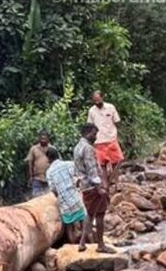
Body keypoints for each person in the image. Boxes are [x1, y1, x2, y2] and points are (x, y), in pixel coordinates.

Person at [74, 123, 116, 253]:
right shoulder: (88, 148)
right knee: (100, 214)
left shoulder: (77, 147)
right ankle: (101, 245)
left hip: (85, 186)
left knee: (90, 213)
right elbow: (91, 169)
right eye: (94, 134)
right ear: (88, 133)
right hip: (92, 186)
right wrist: (100, 187)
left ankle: (82, 243)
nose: (96, 137)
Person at [45, 148, 87, 243]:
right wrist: (76, 184)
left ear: (49, 159)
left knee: (69, 226)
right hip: (75, 198)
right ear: (58, 155)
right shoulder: (69, 164)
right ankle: (84, 241)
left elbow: (53, 190)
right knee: (83, 219)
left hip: (64, 203)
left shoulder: (49, 172)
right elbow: (79, 176)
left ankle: (72, 246)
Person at [87, 91, 123, 187]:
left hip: (111, 139)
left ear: (102, 97)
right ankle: (105, 185)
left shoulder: (111, 107)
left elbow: (117, 122)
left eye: (98, 100)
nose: (97, 102)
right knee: (102, 165)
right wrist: (91, 140)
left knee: (118, 160)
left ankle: (114, 181)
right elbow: (90, 126)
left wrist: (119, 136)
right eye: (95, 101)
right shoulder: (91, 111)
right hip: (99, 142)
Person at [25, 130, 53, 198]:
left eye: (45, 138)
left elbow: (57, 162)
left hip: (49, 178)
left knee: (49, 198)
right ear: (39, 138)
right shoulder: (34, 149)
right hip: (37, 178)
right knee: (36, 199)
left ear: (48, 139)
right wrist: (30, 177)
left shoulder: (52, 149)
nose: (43, 140)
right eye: (42, 138)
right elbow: (30, 163)